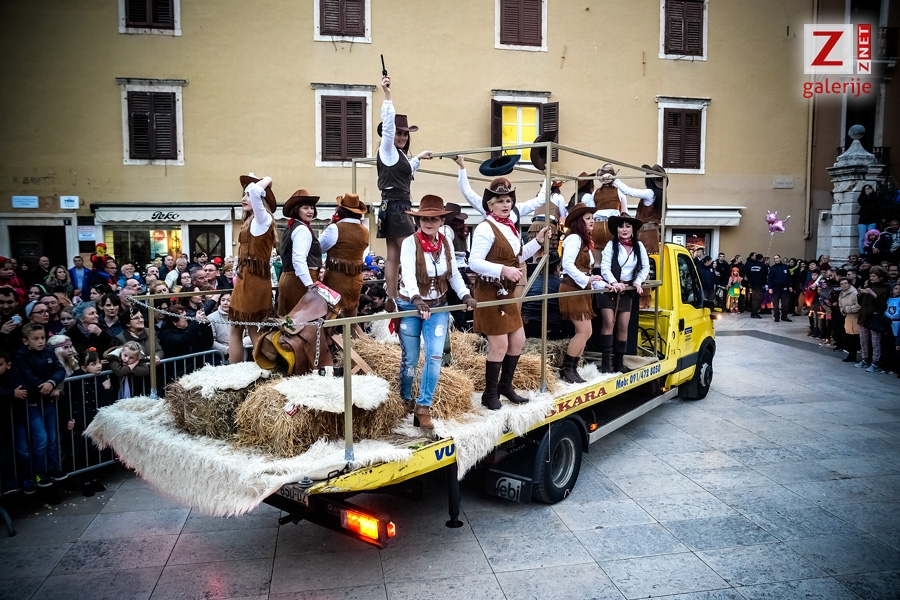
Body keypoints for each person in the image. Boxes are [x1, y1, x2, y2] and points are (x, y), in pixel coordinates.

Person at [397, 195, 476, 429]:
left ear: (442, 221)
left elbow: (453, 274)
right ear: (418, 221)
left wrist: (465, 294)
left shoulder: (447, 243)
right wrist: (416, 298)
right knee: (411, 358)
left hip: (438, 305)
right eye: (424, 219)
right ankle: (405, 399)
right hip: (410, 304)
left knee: (434, 356)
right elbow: (408, 273)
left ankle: (423, 407)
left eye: (433, 218)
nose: (428, 223)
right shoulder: (410, 243)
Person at [469, 177, 549, 409]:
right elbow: (474, 262)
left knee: (518, 340)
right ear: (490, 205)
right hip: (489, 291)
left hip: (506, 292)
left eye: (508, 200)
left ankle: (505, 385)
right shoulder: (485, 228)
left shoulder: (509, 227)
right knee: (499, 345)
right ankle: (489, 394)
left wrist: (537, 242)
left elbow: (517, 256)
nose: (506, 205)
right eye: (500, 201)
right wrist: (503, 270)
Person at [376, 75, 433, 311]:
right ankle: (416, 294)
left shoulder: (397, 155)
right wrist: (387, 95)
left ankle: (392, 299)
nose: (401, 137)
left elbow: (407, 168)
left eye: (405, 134)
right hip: (397, 207)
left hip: (392, 206)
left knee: (394, 255)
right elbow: (388, 128)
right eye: (399, 133)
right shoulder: (387, 148)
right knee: (413, 250)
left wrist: (419, 157)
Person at [229, 174, 277, 365]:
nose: (244, 198)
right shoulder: (251, 221)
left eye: (248, 195)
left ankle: (264, 368)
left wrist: (267, 179)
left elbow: (257, 190)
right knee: (238, 327)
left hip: (254, 283)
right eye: (244, 194)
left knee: (251, 328)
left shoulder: (263, 219)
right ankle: (239, 370)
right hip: (245, 281)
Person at [558, 204, 605, 383]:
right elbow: (567, 264)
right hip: (572, 288)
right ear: (579, 222)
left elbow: (586, 272)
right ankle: (567, 369)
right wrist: (586, 280)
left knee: (586, 332)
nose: (592, 221)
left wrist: (602, 283)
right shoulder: (574, 238)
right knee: (584, 331)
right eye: (588, 218)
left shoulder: (583, 240)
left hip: (581, 289)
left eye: (592, 218)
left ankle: (573, 369)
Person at [16, 323, 67, 487]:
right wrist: (44, 387)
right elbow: (28, 377)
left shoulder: (48, 351)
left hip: (48, 402)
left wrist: (51, 383)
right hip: (32, 404)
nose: (40, 341)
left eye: (43, 338)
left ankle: (53, 468)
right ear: (26, 341)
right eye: (36, 339)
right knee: (40, 440)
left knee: (52, 438)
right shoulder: (21, 356)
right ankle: (39, 473)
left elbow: (60, 370)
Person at [598, 215, 650, 373]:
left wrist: (638, 282)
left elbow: (645, 267)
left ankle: (619, 361)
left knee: (623, 325)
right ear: (617, 229)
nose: (624, 229)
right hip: (609, 288)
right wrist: (614, 282)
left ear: (633, 229)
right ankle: (606, 362)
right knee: (609, 322)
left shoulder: (639, 246)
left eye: (628, 226)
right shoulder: (611, 245)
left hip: (627, 290)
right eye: (621, 226)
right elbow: (605, 267)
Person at [320, 193, 370, 322]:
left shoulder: (335, 228)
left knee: (329, 321)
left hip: (336, 280)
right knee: (351, 321)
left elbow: (318, 248)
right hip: (355, 281)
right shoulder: (365, 231)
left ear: (340, 210)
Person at [277, 189, 322, 316]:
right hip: (299, 282)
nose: (310, 211)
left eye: (312, 208)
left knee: (290, 320)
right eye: (305, 208)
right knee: (300, 322)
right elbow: (298, 259)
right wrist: (309, 285)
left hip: (290, 279)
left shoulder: (293, 226)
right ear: (297, 210)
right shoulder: (301, 229)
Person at [855, 265, 890, 372]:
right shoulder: (867, 285)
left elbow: (882, 305)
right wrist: (860, 294)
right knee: (863, 340)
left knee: (875, 342)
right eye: (871, 276)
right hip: (864, 316)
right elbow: (861, 303)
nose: (872, 278)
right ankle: (865, 359)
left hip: (875, 318)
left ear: (880, 277)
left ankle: (875, 362)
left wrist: (874, 295)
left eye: (874, 276)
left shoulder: (884, 288)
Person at [837, 277, 861, 363]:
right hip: (847, 318)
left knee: (857, 338)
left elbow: (859, 306)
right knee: (850, 339)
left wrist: (848, 309)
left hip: (856, 318)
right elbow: (840, 305)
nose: (843, 285)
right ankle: (851, 356)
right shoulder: (841, 294)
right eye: (841, 284)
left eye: (845, 283)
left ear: (849, 284)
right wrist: (843, 310)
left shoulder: (855, 293)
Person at [766, 254, 793, 322]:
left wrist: (790, 286)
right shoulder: (772, 268)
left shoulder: (785, 267)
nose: (776, 260)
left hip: (784, 288)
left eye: (777, 258)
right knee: (775, 303)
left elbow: (789, 277)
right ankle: (776, 316)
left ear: (780, 258)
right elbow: (770, 278)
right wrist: (770, 287)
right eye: (774, 258)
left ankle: (784, 316)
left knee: (785, 303)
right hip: (775, 288)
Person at [743, 252, 768, 318]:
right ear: (762, 259)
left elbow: (748, 274)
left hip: (752, 285)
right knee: (758, 299)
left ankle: (754, 312)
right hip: (759, 285)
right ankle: (754, 313)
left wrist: (750, 283)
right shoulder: (763, 266)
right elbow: (765, 276)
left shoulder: (751, 265)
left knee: (754, 298)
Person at [857, 184, 880, 255]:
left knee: (871, 236)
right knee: (862, 237)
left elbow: (876, 206)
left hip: (872, 219)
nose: (868, 190)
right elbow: (861, 203)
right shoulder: (862, 197)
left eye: (869, 189)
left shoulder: (875, 197)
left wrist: (871, 196)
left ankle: (869, 251)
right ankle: (862, 252)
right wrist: (866, 196)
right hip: (863, 219)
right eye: (866, 189)